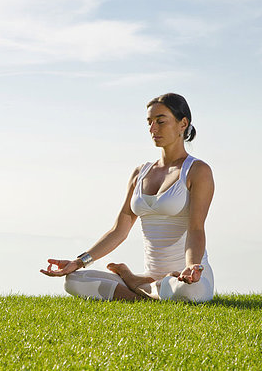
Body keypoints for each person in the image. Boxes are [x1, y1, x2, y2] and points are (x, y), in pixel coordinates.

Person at [40, 93, 215, 302]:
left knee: (187, 293)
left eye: (160, 121)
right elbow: (119, 230)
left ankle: (137, 286)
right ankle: (146, 288)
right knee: (74, 280)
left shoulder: (197, 171)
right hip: (153, 276)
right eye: (149, 123)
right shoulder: (140, 173)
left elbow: (196, 228)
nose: (153, 129)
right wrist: (78, 262)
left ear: (183, 123)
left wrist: (191, 267)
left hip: (186, 278)